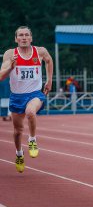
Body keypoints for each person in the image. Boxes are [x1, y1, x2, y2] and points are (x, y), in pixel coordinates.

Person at [0, 26, 53, 173]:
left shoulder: (40, 51)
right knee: (17, 131)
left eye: (26, 35)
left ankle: (32, 140)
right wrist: (11, 66)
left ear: (31, 38)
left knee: (30, 112)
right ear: (16, 39)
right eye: (20, 35)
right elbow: (1, 76)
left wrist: (49, 80)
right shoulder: (10, 54)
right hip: (17, 96)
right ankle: (19, 154)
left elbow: (49, 61)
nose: (24, 38)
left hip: (34, 94)